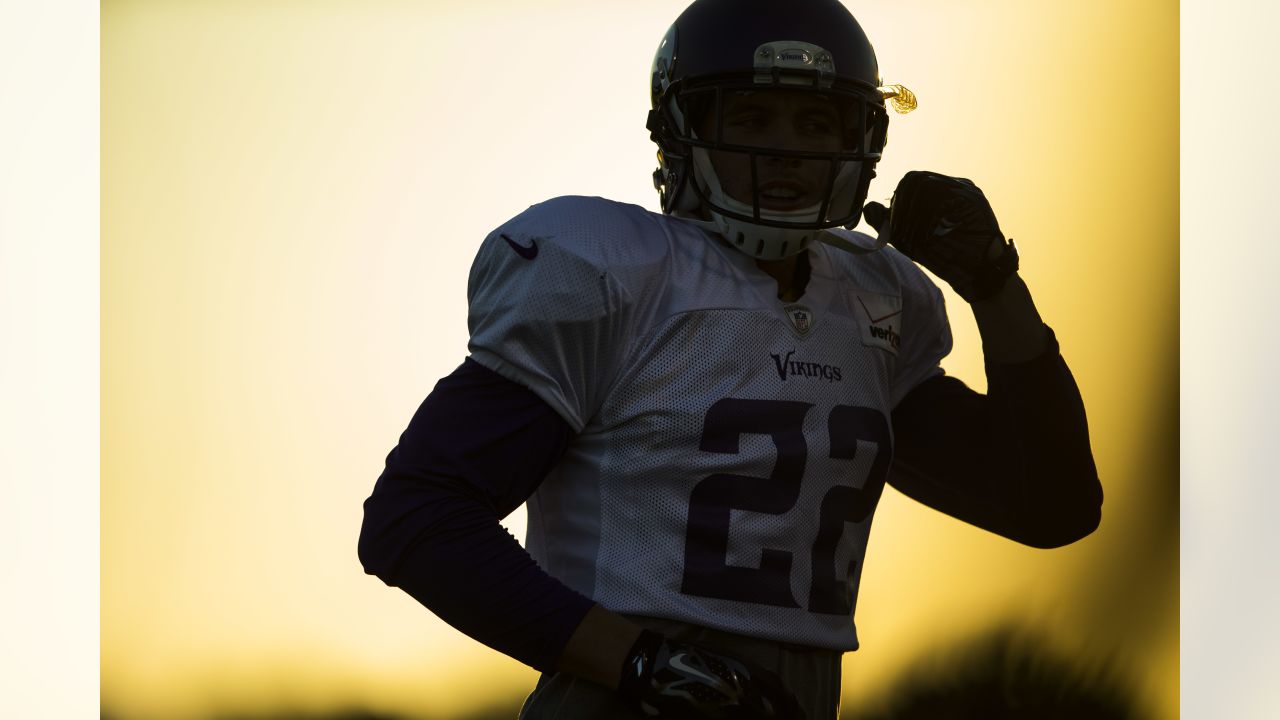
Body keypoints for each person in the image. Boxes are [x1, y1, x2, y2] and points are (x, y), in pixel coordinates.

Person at [357, 0, 1102, 718]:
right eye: (751, 116)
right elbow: (416, 517)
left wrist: (995, 289)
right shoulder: (619, 275)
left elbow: (1050, 504)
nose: (786, 148)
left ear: (861, 137)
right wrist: (640, 663)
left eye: (816, 121)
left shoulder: (873, 297)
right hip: (620, 699)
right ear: (682, 133)